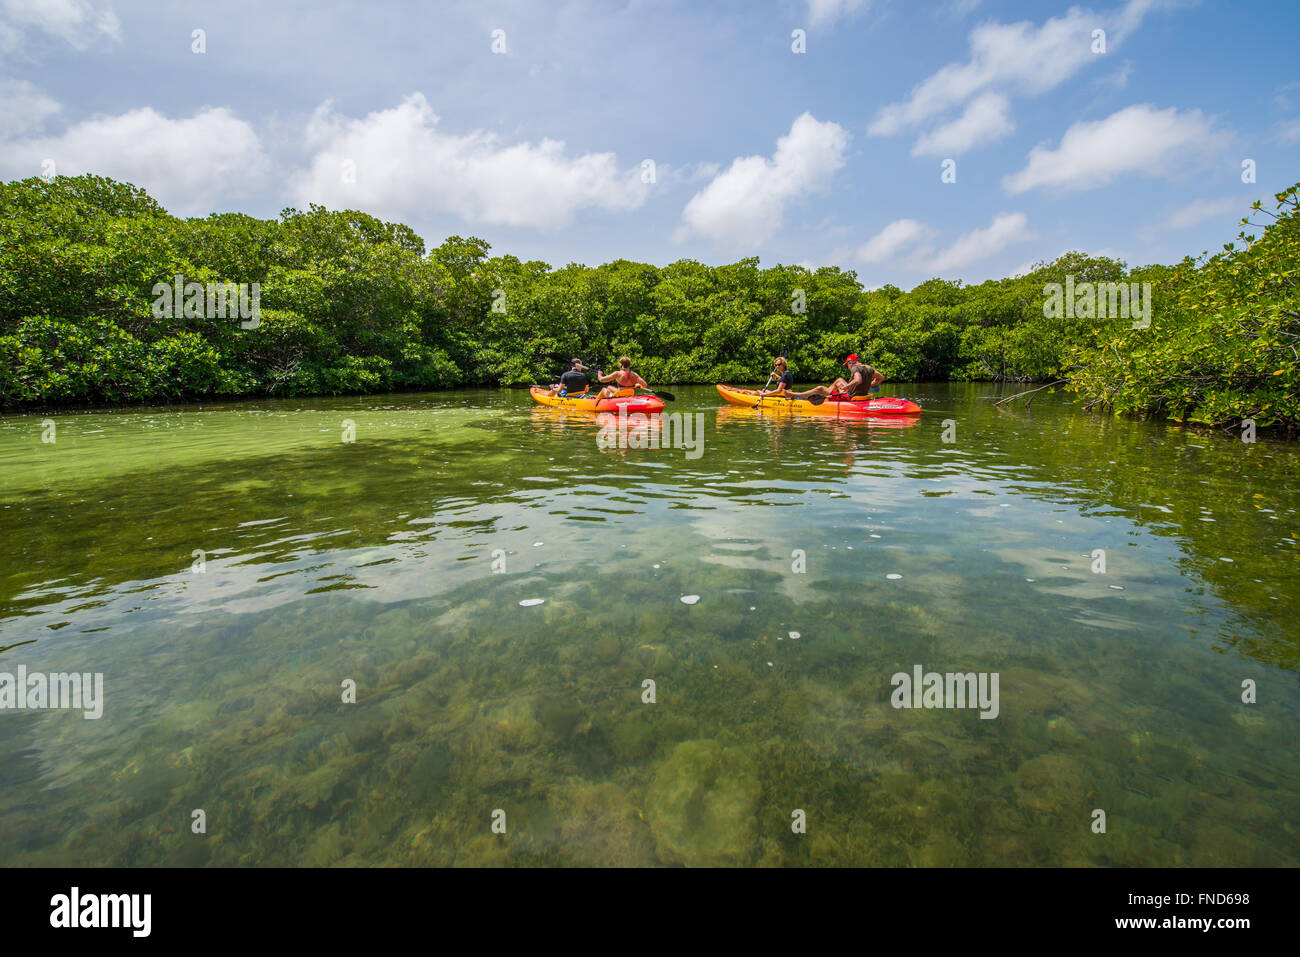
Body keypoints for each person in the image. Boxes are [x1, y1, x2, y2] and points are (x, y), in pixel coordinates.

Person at [792, 353, 883, 399]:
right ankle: (828, 391)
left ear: (850, 363)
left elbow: (858, 380)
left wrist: (846, 387)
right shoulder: (868, 367)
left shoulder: (855, 368)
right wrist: (871, 384)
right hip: (863, 395)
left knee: (820, 388)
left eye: (847, 365)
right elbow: (881, 377)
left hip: (850, 397)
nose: (848, 367)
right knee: (839, 380)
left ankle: (795, 395)